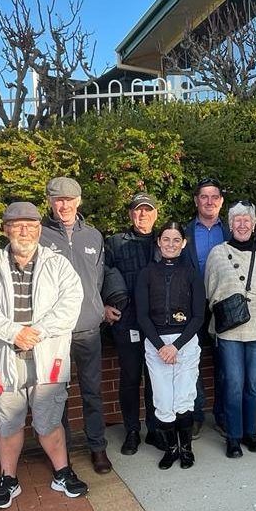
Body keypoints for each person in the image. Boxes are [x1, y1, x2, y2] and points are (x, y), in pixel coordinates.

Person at [0, 202, 88, 509]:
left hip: (46, 355)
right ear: (6, 229)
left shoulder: (57, 264)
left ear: (39, 230)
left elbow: (71, 302)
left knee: (49, 419)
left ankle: (62, 471)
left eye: (31, 226)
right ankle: (9, 478)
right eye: (18, 225)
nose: (25, 231)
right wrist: (13, 332)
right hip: (5, 357)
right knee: (8, 422)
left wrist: (37, 331)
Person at [39, 177, 112, 474]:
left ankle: (98, 447)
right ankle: (62, 452)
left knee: (92, 391)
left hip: (88, 329)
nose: (64, 204)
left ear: (78, 201)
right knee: (56, 395)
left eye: (69, 199)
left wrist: (99, 306)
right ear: (49, 201)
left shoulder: (94, 236)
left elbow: (98, 278)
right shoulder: (40, 235)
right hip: (54, 333)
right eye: (58, 199)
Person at [134, 222, 206, 470]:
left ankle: (186, 449)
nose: (171, 244)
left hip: (184, 342)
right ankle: (171, 448)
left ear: (183, 243)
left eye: (176, 240)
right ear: (159, 242)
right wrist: (160, 345)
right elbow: (142, 315)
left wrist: (175, 346)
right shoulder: (147, 273)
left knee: (184, 398)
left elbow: (198, 316)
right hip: (156, 344)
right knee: (163, 401)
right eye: (166, 239)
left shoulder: (191, 273)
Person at [205, 202, 256, 458]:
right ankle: (233, 436)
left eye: (247, 220)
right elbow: (209, 288)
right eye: (237, 221)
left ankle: (250, 432)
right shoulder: (217, 253)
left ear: (254, 224)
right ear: (230, 225)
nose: (242, 225)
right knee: (233, 383)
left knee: (253, 385)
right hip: (229, 328)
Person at [104, 193, 161, 455]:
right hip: (127, 323)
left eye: (148, 210)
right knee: (129, 378)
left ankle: (155, 429)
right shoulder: (114, 243)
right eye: (138, 211)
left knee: (155, 378)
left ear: (155, 214)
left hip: (159, 325)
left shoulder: (165, 241)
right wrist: (103, 306)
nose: (143, 215)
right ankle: (131, 431)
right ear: (130, 214)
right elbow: (99, 276)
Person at [182, 177, 230, 438]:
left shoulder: (232, 230)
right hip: (193, 306)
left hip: (226, 306)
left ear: (221, 201)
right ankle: (197, 414)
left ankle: (223, 416)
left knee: (226, 362)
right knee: (194, 362)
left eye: (214, 197)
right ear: (196, 201)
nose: (209, 201)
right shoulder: (185, 232)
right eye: (204, 196)